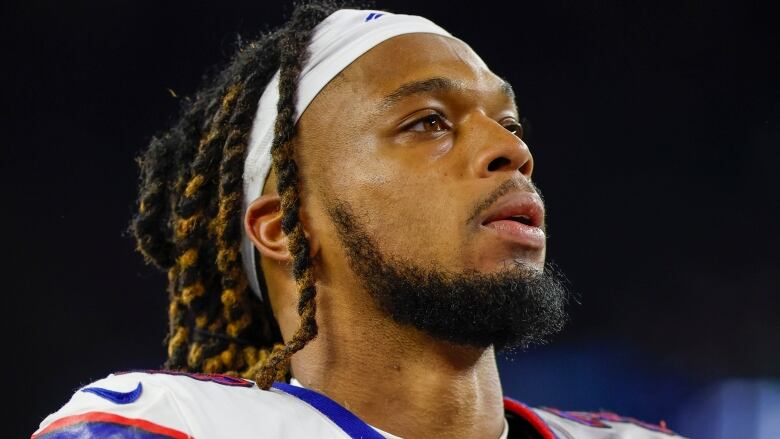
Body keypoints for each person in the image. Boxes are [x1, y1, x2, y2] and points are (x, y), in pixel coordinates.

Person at [32, 2, 686, 438]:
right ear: (286, 226)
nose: (511, 149)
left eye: (508, 122)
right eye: (428, 121)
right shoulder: (171, 426)